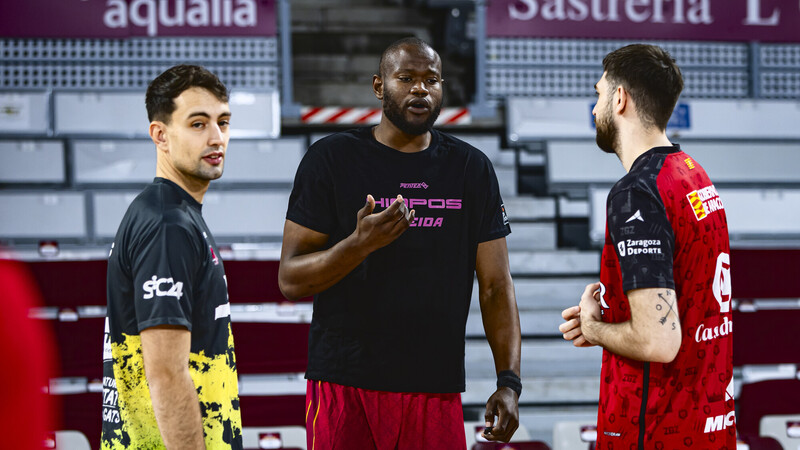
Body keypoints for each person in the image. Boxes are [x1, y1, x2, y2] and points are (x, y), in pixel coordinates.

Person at [279, 37, 522, 449]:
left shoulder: (471, 169)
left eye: (431, 80)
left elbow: (497, 286)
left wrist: (510, 382)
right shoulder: (331, 159)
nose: (420, 89)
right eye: (405, 78)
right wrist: (358, 245)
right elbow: (290, 280)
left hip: (434, 387)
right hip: (345, 383)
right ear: (379, 87)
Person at [558, 44, 735, 449]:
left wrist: (595, 328)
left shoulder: (636, 192)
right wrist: (613, 318)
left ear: (619, 99)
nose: (594, 107)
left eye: (599, 93)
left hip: (654, 428)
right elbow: (682, 305)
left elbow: (658, 341)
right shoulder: (694, 175)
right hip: (708, 424)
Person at [101, 65, 242, 450]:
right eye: (198, 124)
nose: (217, 138)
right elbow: (165, 372)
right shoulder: (169, 226)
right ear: (160, 135)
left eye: (223, 122)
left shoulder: (171, 214)